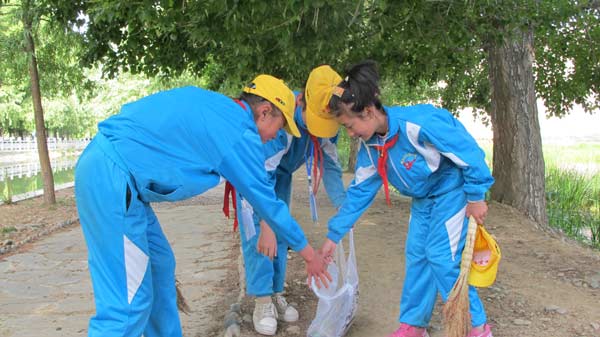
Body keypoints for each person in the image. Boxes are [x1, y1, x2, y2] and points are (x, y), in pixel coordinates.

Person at [74, 75, 331, 337]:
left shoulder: (225, 113)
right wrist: (311, 256)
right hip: (112, 179)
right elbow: (268, 203)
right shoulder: (239, 133)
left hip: (119, 180)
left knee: (160, 269)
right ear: (265, 112)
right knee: (126, 307)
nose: (278, 134)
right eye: (280, 126)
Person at [319, 60, 495, 337]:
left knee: (441, 257)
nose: (350, 134)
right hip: (423, 200)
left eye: (350, 126)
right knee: (417, 255)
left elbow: (468, 152)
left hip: (453, 193)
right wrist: (334, 235)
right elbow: (360, 191)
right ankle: (413, 325)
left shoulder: (419, 124)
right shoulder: (371, 146)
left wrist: (476, 195)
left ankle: (476, 327)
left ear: (367, 111)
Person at [234, 65, 347, 336]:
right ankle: (262, 300)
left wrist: (345, 208)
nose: (318, 132)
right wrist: (267, 225)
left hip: (280, 176)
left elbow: (331, 166)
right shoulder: (280, 122)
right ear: (301, 101)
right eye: (313, 122)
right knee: (260, 237)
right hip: (254, 176)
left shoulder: (328, 125)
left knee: (281, 236)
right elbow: (260, 181)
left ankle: (275, 292)